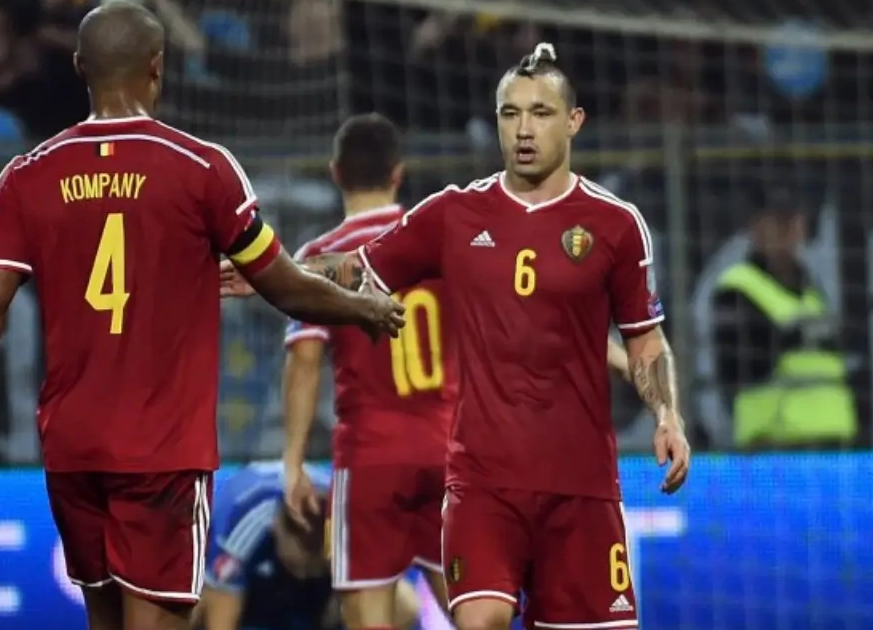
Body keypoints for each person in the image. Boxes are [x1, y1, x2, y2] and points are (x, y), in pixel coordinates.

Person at [0, 4, 404, 630]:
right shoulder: (202, 168)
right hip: (162, 451)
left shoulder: (28, 175)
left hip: (74, 448)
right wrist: (361, 307)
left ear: (79, 68)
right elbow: (287, 287)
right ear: (157, 67)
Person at [291, 42, 692, 630]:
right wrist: (269, 270)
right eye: (511, 113)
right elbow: (357, 269)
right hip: (481, 483)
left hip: (580, 485)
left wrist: (667, 414)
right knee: (481, 619)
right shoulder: (454, 213)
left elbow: (645, 339)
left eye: (541, 113)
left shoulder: (616, 224)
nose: (524, 129)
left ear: (574, 121)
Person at [279, 113, 456, 630]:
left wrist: (293, 462)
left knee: (367, 617)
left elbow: (305, 360)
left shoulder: (322, 257)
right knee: (475, 611)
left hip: (371, 458)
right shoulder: (440, 241)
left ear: (336, 173)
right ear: (398, 173)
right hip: (450, 449)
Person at [711, 188, 857, 449]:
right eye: (779, 223)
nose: (789, 231)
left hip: (832, 437)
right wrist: (791, 337)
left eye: (794, 222)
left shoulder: (810, 288)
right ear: (756, 228)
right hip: (775, 439)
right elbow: (737, 368)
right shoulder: (737, 288)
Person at [198, 464, 420, 630]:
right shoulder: (245, 519)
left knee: (394, 606)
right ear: (279, 531)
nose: (303, 574)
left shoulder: (349, 526)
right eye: (298, 566)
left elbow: (406, 609)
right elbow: (220, 618)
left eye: (310, 569)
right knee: (192, 609)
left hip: (321, 589)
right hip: (251, 587)